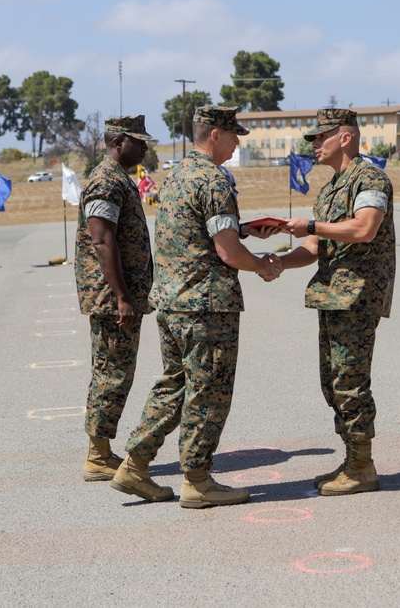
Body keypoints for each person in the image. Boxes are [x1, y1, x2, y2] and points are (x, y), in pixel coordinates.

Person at [110, 105, 283, 508]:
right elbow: (227, 252)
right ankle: (198, 480)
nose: (238, 142)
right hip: (205, 306)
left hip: (172, 302)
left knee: (174, 385)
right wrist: (262, 265)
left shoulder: (176, 177)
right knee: (209, 391)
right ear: (215, 135)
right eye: (234, 134)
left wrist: (243, 229)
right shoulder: (214, 181)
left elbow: (198, 231)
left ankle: (134, 466)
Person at [278, 108, 396, 497]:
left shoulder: (370, 178)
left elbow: (364, 228)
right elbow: (315, 246)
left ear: (345, 137)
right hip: (332, 295)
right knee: (333, 382)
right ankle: (352, 459)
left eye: (320, 137)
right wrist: (277, 261)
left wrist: (310, 225)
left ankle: (363, 466)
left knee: (350, 381)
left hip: (357, 295)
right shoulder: (331, 187)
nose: (313, 145)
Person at [74, 115, 156, 482]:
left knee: (115, 372)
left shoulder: (119, 178)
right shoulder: (106, 181)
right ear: (119, 141)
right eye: (139, 142)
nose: (144, 148)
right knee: (112, 374)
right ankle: (97, 455)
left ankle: (101, 450)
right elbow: (102, 241)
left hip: (120, 296)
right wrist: (122, 296)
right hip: (112, 299)